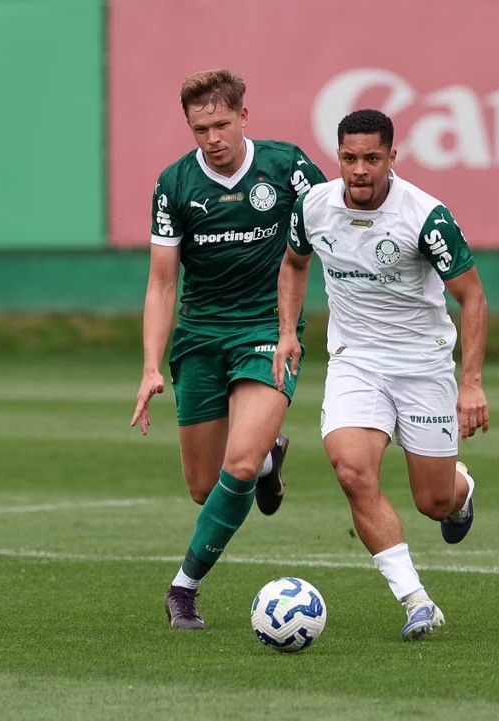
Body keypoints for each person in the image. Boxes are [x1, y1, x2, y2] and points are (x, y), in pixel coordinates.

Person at [273, 108, 489, 641]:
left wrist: (471, 383)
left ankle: (461, 490)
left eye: (372, 158)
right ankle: (416, 600)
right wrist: (287, 332)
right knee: (352, 471)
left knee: (432, 502)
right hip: (356, 361)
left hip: (422, 366)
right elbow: (294, 264)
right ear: (338, 156)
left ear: (393, 156)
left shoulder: (426, 216)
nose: (359, 170)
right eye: (349, 158)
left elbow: (472, 297)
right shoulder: (313, 207)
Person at [129, 68, 328, 630]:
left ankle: (183, 589)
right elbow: (162, 283)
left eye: (221, 125)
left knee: (235, 467)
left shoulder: (287, 168)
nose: (213, 138)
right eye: (201, 129)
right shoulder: (174, 185)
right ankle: (268, 457)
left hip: (267, 332)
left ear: (244, 116)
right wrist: (149, 367)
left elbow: (339, 225)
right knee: (204, 487)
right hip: (200, 337)